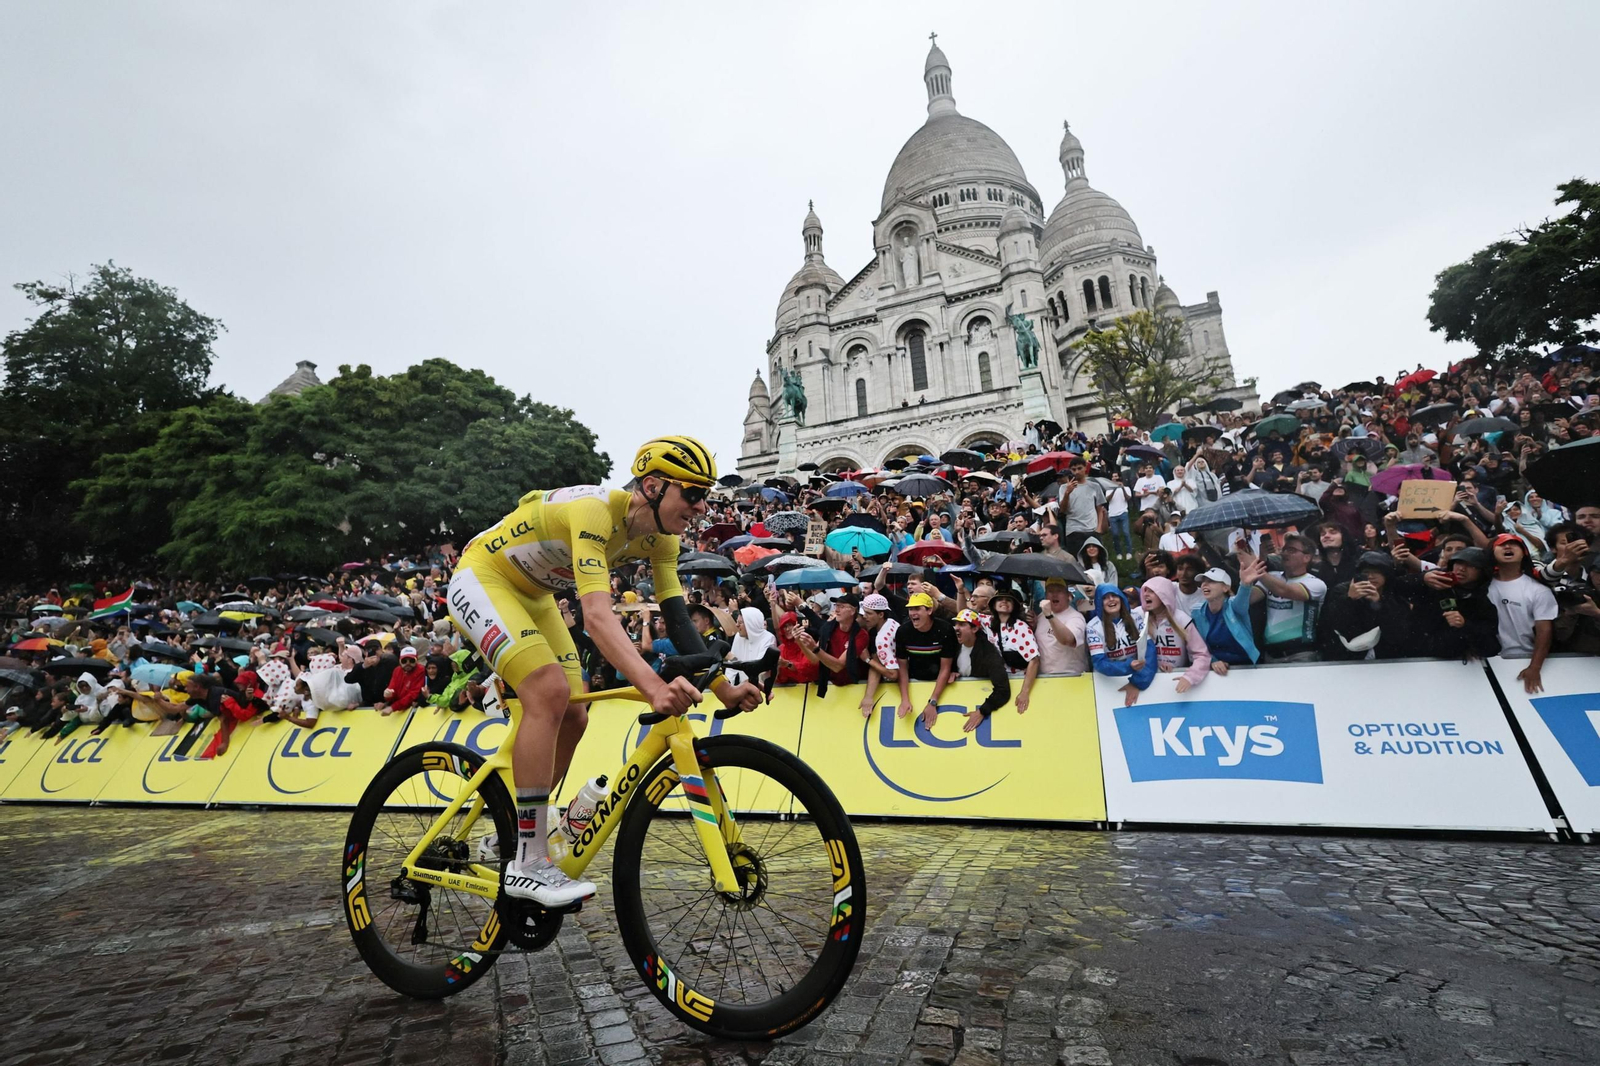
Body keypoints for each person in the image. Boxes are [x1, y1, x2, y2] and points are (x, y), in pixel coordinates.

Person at [445, 436, 761, 907]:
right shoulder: (595, 510)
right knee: (549, 691)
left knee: (574, 712)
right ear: (652, 486)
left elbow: (678, 618)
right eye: (692, 493)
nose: (701, 507)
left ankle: (513, 829)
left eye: (706, 496)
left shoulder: (662, 539)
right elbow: (595, 617)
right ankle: (528, 862)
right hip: (482, 577)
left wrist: (721, 685)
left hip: (534, 596)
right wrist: (653, 687)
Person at [1401, 547, 1501, 661]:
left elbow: (1491, 647)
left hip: (1456, 666)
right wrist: (1422, 579)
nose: (1462, 569)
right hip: (1416, 659)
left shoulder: (1484, 604)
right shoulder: (1433, 583)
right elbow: (1393, 587)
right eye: (1458, 563)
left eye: (1471, 566)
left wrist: (1465, 625)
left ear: (1483, 571)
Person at [1486, 533, 1557, 694]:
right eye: (1502, 544)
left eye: (1514, 544)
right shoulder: (1482, 587)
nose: (1508, 547)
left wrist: (1534, 667)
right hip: (1489, 661)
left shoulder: (1538, 590)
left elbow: (1544, 631)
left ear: (1524, 552)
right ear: (1492, 553)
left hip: (1526, 659)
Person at [1247, 534, 1327, 663]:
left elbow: (1285, 590)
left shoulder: (1316, 584)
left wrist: (1256, 569)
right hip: (1271, 654)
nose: (1285, 554)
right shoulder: (1272, 577)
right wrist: (1257, 561)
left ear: (1307, 557)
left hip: (1301, 653)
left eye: (1291, 550)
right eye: (1284, 549)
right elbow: (1248, 600)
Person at [894, 591, 957, 728]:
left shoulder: (945, 629)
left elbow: (945, 668)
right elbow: (902, 668)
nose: (912, 613)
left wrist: (933, 702)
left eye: (917, 609)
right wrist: (905, 699)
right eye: (910, 609)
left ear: (929, 610)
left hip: (939, 678)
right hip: (915, 679)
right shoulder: (903, 631)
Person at [949, 609, 1012, 731]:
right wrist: (951, 671)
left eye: (962, 624)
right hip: (958, 703)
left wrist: (982, 711)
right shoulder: (952, 644)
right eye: (956, 624)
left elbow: (1003, 690)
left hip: (979, 708)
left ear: (974, 629)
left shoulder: (988, 653)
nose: (956, 628)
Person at [1194, 565, 1261, 674]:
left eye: (1212, 581)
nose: (1204, 584)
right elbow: (1198, 646)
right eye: (1203, 581)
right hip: (1215, 668)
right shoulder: (1197, 611)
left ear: (1225, 588)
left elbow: (1242, 599)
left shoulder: (1234, 605)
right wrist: (1213, 661)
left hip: (1246, 667)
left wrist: (1245, 584)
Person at [1034, 577, 1088, 676]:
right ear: (1045, 596)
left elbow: (1068, 640)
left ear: (1068, 596)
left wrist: (1050, 616)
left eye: (1059, 591)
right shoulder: (1041, 616)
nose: (1054, 594)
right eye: (1050, 591)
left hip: (1071, 677)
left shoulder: (1076, 617)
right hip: (1043, 678)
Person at [1104, 472, 1133, 556]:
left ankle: (1129, 552)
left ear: (1119, 478)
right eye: (1113, 477)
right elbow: (1108, 499)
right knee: (1115, 534)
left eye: (1116, 476)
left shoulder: (1126, 488)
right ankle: (1118, 553)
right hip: (1112, 514)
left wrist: (1122, 488)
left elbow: (1128, 498)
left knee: (1126, 533)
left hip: (1123, 512)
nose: (1115, 478)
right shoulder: (1108, 489)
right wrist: (1114, 488)